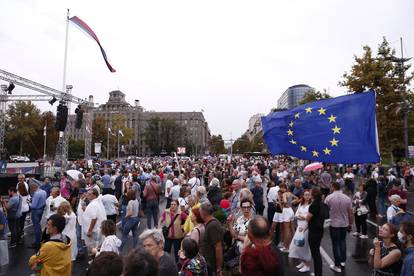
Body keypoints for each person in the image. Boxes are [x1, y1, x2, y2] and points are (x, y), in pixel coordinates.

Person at [325, 182, 353, 273]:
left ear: (333, 187)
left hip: (334, 223)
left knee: (335, 243)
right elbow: (350, 212)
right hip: (344, 223)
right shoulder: (347, 198)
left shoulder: (329, 197)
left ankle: (337, 264)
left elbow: (325, 210)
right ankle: (343, 261)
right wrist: (350, 223)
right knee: (342, 241)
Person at [289, 190, 312, 272]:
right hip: (299, 226)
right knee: (297, 245)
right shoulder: (301, 204)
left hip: (305, 228)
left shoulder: (311, 206)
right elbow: (296, 215)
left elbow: (309, 218)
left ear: (310, 196)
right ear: (303, 196)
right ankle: (303, 261)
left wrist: (302, 216)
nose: (307, 196)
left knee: (304, 246)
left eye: (308, 195)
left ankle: (307, 265)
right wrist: (303, 216)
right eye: (305, 195)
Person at [227, 198, 253, 270]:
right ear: (241, 208)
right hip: (238, 250)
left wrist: (237, 236)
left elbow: (250, 240)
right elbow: (233, 234)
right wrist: (230, 223)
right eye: (244, 207)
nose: (246, 209)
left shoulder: (254, 222)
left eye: (248, 207)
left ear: (251, 208)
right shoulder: (239, 219)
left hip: (248, 252)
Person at [199, 202, 224, 276]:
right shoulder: (209, 223)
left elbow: (218, 247)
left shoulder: (213, 225)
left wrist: (218, 268)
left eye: (200, 211)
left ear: (203, 213)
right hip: (208, 263)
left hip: (212, 266)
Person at [306, 188, 325, 276]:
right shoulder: (321, 204)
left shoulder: (314, 205)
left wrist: (305, 217)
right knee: (316, 253)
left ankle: (318, 273)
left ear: (313, 194)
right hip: (319, 230)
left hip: (314, 231)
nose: (309, 194)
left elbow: (308, 217)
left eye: (310, 192)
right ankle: (318, 272)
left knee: (315, 254)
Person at [83, 188, 106, 254]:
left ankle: (95, 260)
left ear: (94, 195)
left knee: (94, 248)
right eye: (87, 193)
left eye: (89, 194)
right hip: (95, 230)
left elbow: (94, 218)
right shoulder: (94, 203)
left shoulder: (94, 204)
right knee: (96, 247)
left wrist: (90, 230)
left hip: (94, 231)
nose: (87, 195)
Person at [29, 180, 47, 249]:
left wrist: (29, 203)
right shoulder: (43, 192)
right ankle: (39, 240)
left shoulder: (36, 194)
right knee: (38, 226)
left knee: (36, 227)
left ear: (33, 187)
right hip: (41, 210)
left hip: (36, 211)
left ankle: (37, 242)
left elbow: (33, 206)